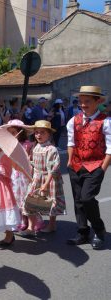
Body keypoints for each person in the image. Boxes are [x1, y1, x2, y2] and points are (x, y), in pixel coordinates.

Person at [66, 86, 111, 250]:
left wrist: (102, 169)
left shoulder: (106, 121)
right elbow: (71, 142)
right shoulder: (74, 120)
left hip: (95, 166)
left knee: (86, 198)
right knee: (78, 201)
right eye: (81, 101)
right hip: (76, 165)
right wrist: (70, 161)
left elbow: (110, 148)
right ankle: (83, 232)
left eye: (87, 101)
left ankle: (99, 230)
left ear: (97, 101)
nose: (83, 105)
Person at [21, 120, 66, 237]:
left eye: (42, 132)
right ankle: (31, 227)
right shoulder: (35, 147)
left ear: (49, 134)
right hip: (37, 177)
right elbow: (34, 164)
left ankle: (52, 225)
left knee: (51, 202)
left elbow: (53, 169)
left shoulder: (51, 149)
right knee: (29, 202)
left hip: (49, 179)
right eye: (36, 132)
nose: (38, 135)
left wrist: (45, 184)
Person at [1, 120, 40, 232]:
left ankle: (31, 221)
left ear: (20, 132)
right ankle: (22, 220)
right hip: (12, 173)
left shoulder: (27, 144)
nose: (11, 135)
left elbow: (30, 159)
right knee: (15, 198)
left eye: (14, 132)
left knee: (25, 197)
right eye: (10, 133)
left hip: (23, 174)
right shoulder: (8, 145)